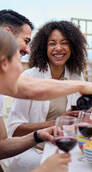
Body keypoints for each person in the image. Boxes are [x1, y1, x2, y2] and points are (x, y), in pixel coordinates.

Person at [5, 20, 87, 171]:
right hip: (33, 150)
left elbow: (82, 119)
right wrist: (54, 123)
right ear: (44, 47)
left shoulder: (77, 77)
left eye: (64, 42)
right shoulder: (30, 76)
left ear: (73, 47)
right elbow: (15, 129)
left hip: (64, 147)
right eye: (52, 43)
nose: (58, 48)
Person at [0, 9, 92, 105]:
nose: (28, 50)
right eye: (26, 41)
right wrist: (82, 86)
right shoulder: (30, 74)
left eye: (64, 43)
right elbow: (31, 89)